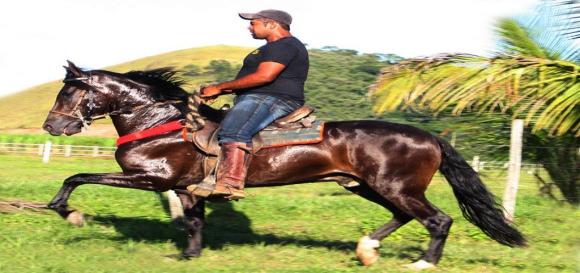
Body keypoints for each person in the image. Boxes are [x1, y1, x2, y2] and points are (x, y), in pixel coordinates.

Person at [198, 9, 309, 200]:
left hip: (272, 98)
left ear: (271, 24)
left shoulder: (285, 45)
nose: (249, 27)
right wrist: (222, 90)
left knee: (234, 130)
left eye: (253, 23)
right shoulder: (270, 47)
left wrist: (219, 87)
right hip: (259, 97)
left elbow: (265, 76)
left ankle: (230, 184)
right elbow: (252, 79)